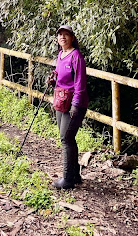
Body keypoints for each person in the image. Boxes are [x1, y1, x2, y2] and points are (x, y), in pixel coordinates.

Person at [48, 24, 89, 189]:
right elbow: (62, 78)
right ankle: (75, 175)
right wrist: (53, 81)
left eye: (66, 35)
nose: (62, 37)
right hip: (61, 100)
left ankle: (67, 179)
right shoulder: (61, 54)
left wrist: (76, 106)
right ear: (57, 39)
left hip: (74, 103)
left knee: (65, 139)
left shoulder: (76, 56)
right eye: (60, 35)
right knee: (68, 138)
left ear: (72, 38)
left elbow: (80, 83)